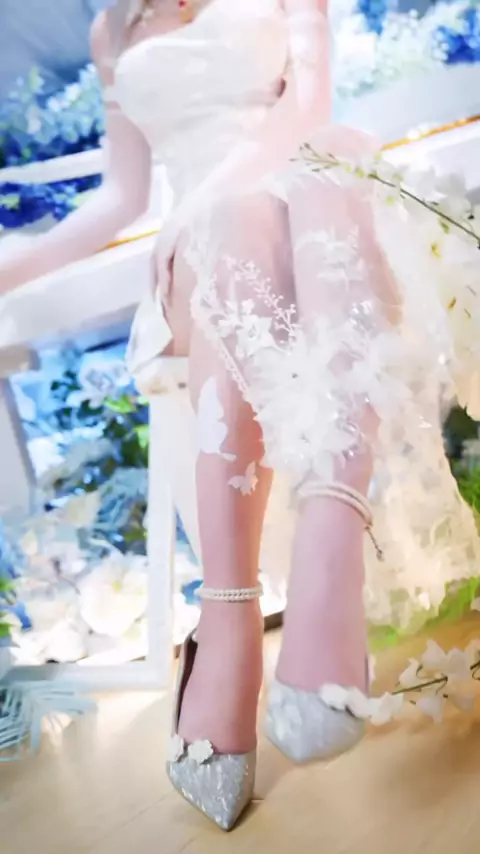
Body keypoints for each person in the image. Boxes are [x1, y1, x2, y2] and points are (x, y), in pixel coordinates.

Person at [1, 0, 479, 832]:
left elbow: (306, 105)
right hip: (195, 263)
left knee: (318, 165)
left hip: (310, 222)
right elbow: (120, 198)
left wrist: (209, 201)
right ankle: (256, 598)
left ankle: (280, 575)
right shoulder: (113, 29)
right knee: (229, 224)